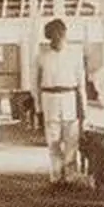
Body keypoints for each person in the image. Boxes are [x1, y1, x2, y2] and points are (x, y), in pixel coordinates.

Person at [35, 19, 86, 188]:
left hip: (70, 98)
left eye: (60, 33)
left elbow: (81, 84)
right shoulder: (41, 57)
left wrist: (83, 108)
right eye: (53, 34)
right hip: (49, 100)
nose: (57, 37)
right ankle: (56, 175)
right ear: (49, 36)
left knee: (72, 141)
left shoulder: (75, 55)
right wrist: (38, 107)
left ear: (65, 34)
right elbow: (36, 83)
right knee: (53, 141)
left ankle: (71, 176)